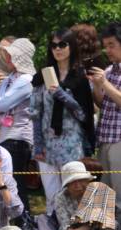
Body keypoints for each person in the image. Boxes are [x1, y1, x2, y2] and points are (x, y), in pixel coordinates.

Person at [30, 27, 95, 214]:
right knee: (51, 196)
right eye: (53, 45)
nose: (57, 49)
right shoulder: (41, 77)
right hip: (47, 144)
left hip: (71, 144)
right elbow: (35, 113)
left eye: (62, 44)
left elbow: (84, 114)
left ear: (71, 47)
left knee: (75, 194)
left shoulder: (80, 77)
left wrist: (62, 95)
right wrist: (38, 144)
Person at [0, 37, 36, 211]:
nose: (8, 59)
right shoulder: (9, 79)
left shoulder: (26, 80)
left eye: (11, 55)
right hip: (2, 136)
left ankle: (25, 226)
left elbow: (1, 104)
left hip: (18, 137)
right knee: (6, 182)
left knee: (16, 183)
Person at [47, 162, 118, 230]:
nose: (77, 185)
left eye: (81, 180)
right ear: (67, 185)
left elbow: (95, 222)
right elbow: (64, 225)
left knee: (113, 224)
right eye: (72, 182)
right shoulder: (60, 197)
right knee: (42, 218)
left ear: (88, 180)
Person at [88, 22, 121, 212]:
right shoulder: (109, 70)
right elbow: (102, 104)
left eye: (111, 45)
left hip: (119, 139)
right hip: (105, 138)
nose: (107, 50)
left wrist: (105, 84)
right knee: (102, 196)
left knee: (119, 195)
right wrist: (96, 87)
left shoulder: (108, 75)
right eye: (105, 45)